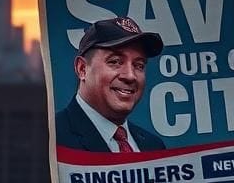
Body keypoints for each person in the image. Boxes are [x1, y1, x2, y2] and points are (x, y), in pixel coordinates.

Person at [55, 16, 166, 153]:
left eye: (139, 65)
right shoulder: (51, 139)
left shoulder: (153, 147)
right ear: (82, 69)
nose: (130, 76)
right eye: (115, 62)